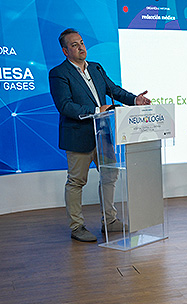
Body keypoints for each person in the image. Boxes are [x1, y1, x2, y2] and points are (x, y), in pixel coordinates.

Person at [49, 28, 151, 242]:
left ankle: (109, 220)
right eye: (74, 45)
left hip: (102, 134)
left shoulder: (95, 68)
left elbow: (114, 90)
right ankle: (77, 227)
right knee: (76, 181)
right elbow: (65, 106)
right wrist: (96, 111)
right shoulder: (59, 73)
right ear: (65, 51)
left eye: (82, 42)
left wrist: (135, 100)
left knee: (110, 175)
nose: (81, 47)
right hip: (78, 136)